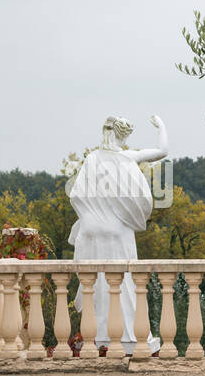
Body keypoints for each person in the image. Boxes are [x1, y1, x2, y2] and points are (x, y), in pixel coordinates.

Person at [67, 115, 166, 356]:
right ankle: (127, 335)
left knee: (97, 284)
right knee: (123, 283)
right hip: (116, 230)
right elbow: (163, 151)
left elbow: (77, 195)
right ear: (124, 136)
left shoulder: (92, 159)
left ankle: (99, 335)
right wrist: (161, 125)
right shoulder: (126, 158)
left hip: (91, 231)